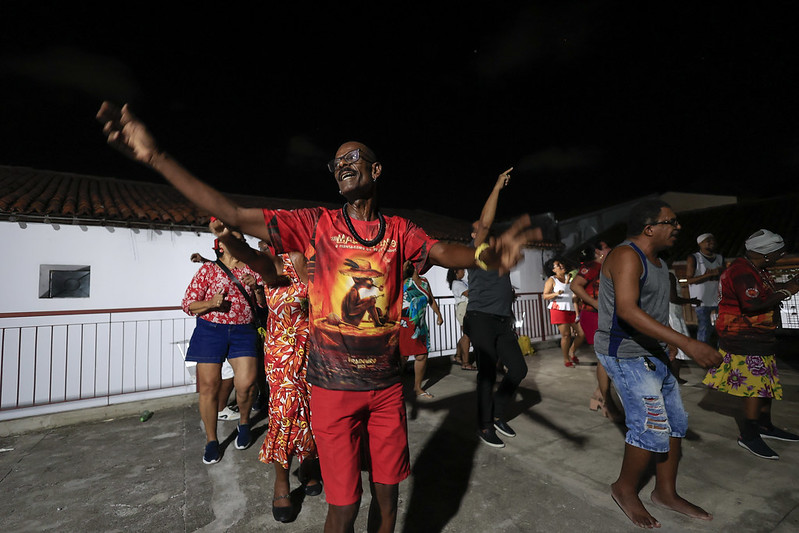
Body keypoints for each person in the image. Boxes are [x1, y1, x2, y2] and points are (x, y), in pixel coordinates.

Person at [97, 102, 540, 533]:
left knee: (388, 503)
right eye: (336, 164)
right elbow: (232, 213)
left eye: (353, 158)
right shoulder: (316, 224)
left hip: (387, 390)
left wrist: (486, 255)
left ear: (376, 170)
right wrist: (155, 156)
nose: (343, 166)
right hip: (332, 392)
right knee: (343, 511)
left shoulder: (401, 232)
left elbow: (446, 252)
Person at [593, 199, 722, 529]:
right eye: (672, 222)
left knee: (676, 422)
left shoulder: (661, 264)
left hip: (653, 352)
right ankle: (624, 489)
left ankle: (665, 492)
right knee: (650, 425)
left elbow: (655, 311)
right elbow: (627, 310)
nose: (678, 228)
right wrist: (687, 341)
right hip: (624, 352)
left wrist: (668, 345)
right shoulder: (625, 255)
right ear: (650, 228)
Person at [210, 220, 321, 522]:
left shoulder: (313, 262)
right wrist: (256, 287)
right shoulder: (268, 265)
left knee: (311, 412)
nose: (264, 244)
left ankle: (309, 464)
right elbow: (267, 303)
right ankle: (282, 481)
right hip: (281, 352)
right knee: (285, 413)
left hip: (313, 351)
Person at [702, 229, 799, 460]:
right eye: (779, 253)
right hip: (744, 338)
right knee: (754, 388)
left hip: (758, 337)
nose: (781, 256)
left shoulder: (757, 268)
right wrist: (791, 287)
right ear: (765, 254)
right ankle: (749, 435)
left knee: (764, 385)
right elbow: (752, 304)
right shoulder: (741, 272)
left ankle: (765, 427)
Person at [181, 232, 265, 464]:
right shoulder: (208, 271)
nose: (241, 242)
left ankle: (245, 422)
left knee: (247, 382)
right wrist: (211, 303)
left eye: (241, 239)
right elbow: (188, 304)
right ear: (221, 247)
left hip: (243, 331)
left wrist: (257, 287)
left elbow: (261, 305)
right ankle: (211, 441)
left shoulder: (251, 268)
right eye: (234, 239)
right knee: (209, 387)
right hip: (210, 331)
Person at [464, 167, 529, 449]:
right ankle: (484, 425)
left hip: (502, 320)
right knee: (487, 374)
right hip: (480, 319)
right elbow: (486, 224)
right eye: (482, 227)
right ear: (474, 233)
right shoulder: (475, 249)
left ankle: (498, 413)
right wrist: (497, 187)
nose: (487, 229)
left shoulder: (496, 256)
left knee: (518, 369)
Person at [571, 241, 623, 421]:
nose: (610, 248)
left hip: (605, 315)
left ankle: (598, 396)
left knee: (611, 357)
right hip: (594, 316)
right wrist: (594, 303)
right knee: (606, 358)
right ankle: (607, 403)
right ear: (598, 252)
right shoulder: (593, 266)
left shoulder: (605, 267)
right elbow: (575, 285)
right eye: (607, 246)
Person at [400, 260, 444, 399]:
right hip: (404, 324)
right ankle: (395, 389)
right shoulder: (403, 281)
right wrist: (404, 265)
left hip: (420, 324)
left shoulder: (424, 281)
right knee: (402, 358)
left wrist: (438, 314)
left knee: (422, 356)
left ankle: (418, 388)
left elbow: (430, 299)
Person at [543, 257, 584, 367]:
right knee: (566, 335)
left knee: (581, 334)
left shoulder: (569, 277)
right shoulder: (552, 280)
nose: (562, 266)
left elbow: (574, 293)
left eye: (561, 264)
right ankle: (566, 359)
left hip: (571, 308)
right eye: (558, 265)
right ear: (553, 269)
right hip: (558, 309)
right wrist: (556, 294)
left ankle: (572, 351)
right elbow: (545, 295)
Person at [685, 233, 725, 345]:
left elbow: (725, 275)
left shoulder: (719, 258)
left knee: (721, 328)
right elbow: (689, 280)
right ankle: (703, 353)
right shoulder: (694, 257)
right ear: (700, 243)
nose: (712, 243)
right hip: (701, 300)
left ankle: (722, 353)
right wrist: (707, 275)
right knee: (704, 328)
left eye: (713, 241)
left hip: (718, 298)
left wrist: (721, 272)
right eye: (708, 241)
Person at [667, 259, 701, 384]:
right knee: (678, 346)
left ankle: (672, 376)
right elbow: (673, 298)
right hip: (672, 314)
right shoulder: (668, 274)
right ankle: (674, 376)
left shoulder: (656, 274)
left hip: (667, 312)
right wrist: (691, 300)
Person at [447, 268, 476, 370]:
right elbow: (468, 293)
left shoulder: (461, 282)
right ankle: (465, 363)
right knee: (467, 336)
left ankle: (458, 356)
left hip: (465, 309)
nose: (464, 272)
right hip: (463, 309)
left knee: (466, 335)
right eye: (462, 270)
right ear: (456, 272)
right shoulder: (456, 283)